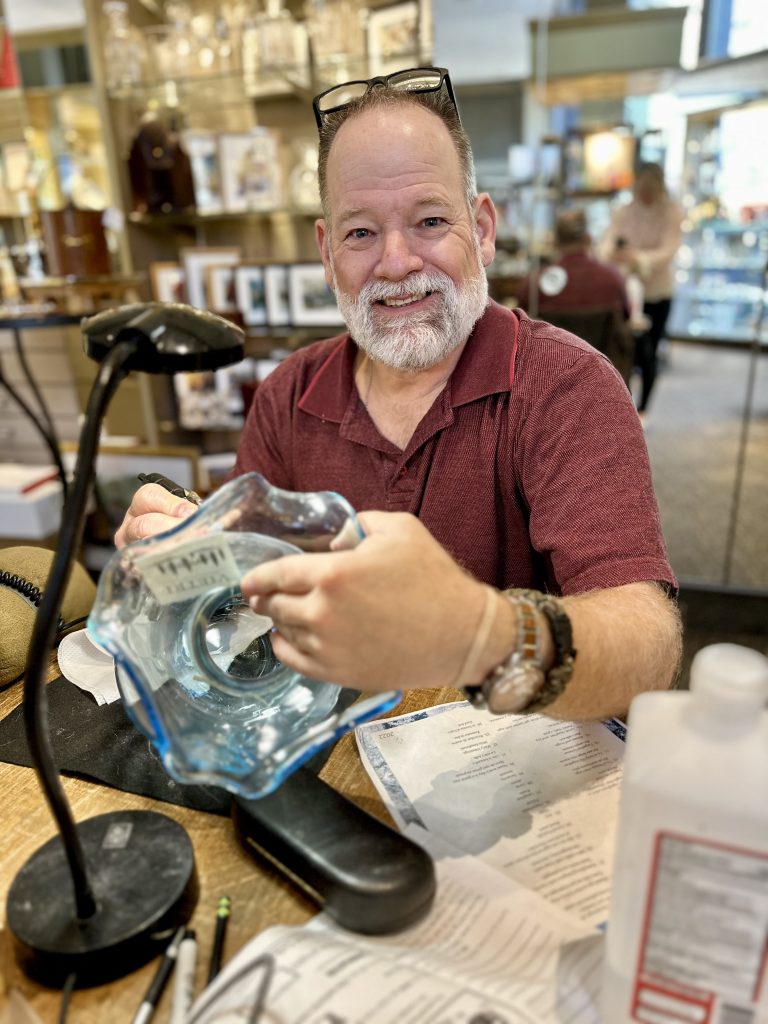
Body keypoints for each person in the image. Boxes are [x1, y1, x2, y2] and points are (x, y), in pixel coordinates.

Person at [116, 67, 681, 721]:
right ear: (327, 255)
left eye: (429, 220)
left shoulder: (565, 388)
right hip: (323, 760)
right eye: (360, 232)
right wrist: (181, 556)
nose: (395, 263)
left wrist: (481, 634)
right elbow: (242, 585)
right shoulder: (286, 396)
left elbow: (649, 645)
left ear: (484, 229)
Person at [600, 162, 683, 415]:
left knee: (649, 352)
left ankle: (644, 408)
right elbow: (606, 245)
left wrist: (638, 257)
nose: (645, 194)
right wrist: (614, 254)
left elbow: (668, 251)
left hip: (658, 291)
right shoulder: (624, 211)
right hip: (627, 291)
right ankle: (620, 405)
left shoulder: (671, 212)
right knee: (624, 348)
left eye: (650, 189)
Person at [517, 208, 630, 320]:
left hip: (553, 338)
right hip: (600, 338)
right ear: (589, 239)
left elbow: (523, 322)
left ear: (555, 243)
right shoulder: (613, 278)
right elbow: (626, 315)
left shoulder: (534, 285)